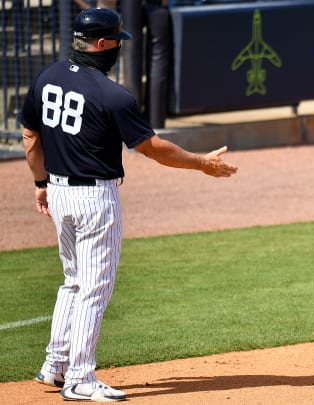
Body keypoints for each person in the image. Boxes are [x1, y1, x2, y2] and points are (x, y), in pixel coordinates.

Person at [20, 8, 237, 402]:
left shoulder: (46, 76)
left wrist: (40, 183)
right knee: (94, 288)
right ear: (102, 45)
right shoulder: (111, 95)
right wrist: (202, 163)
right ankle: (80, 379)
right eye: (117, 41)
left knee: (73, 281)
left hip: (59, 192)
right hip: (93, 199)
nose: (120, 47)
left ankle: (55, 365)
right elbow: (153, 149)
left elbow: (30, 135)